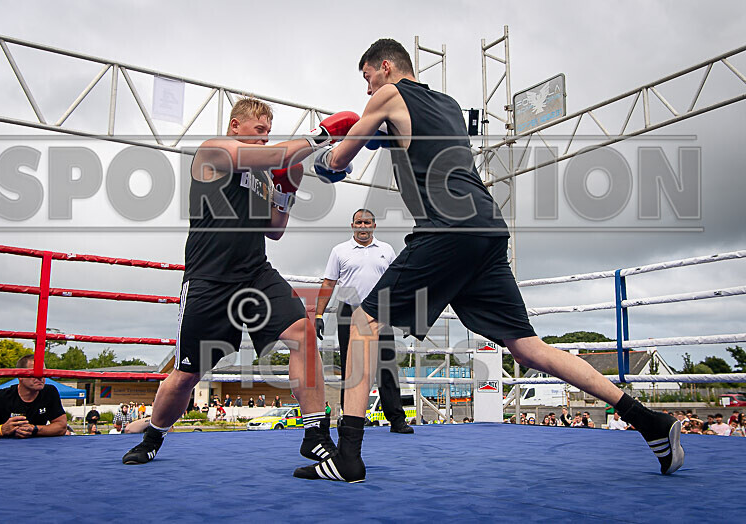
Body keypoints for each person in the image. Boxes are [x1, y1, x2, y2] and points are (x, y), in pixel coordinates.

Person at [293, 38, 684, 483]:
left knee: (363, 322)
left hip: (448, 228)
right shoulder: (448, 106)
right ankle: (650, 421)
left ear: (385, 66)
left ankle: (348, 456)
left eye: (367, 78)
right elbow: (411, 142)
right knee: (529, 349)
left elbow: (339, 158)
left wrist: (323, 154)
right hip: (486, 228)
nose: (367, 90)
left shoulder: (388, 95)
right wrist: (374, 139)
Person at [122, 98, 360, 465]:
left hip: (255, 273)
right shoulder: (214, 151)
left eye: (268, 132)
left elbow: (274, 230)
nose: (264, 137)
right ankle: (152, 436)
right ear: (235, 126)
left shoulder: (262, 176)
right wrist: (322, 136)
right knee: (187, 374)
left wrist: (285, 193)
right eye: (258, 130)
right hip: (209, 278)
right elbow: (279, 155)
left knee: (303, 332)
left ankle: (315, 433)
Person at [315, 208, 413, 434]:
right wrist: (319, 315)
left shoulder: (386, 250)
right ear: (352, 225)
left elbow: (398, 284)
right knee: (351, 367)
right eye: (359, 222)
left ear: (374, 226)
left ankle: (397, 420)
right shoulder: (340, 251)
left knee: (387, 366)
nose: (362, 227)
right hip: (349, 312)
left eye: (367, 223)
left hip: (380, 312)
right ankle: (349, 419)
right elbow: (328, 283)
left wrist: (406, 316)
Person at [0, 354, 67, 438]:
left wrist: (35, 429)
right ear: (20, 375)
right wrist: (0, 430)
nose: (40, 377)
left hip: (36, 450)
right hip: (1, 450)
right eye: (34, 373)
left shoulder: (49, 392)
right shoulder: (2, 397)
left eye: (43, 372)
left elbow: (61, 427)